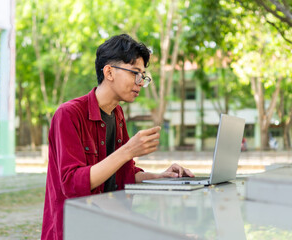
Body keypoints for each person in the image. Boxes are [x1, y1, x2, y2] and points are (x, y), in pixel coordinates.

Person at [41, 34, 194, 240]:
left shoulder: (117, 114)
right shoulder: (68, 114)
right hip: (76, 229)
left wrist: (161, 176)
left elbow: (123, 175)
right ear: (109, 72)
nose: (140, 82)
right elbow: (72, 184)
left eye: (143, 76)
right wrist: (129, 150)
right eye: (135, 73)